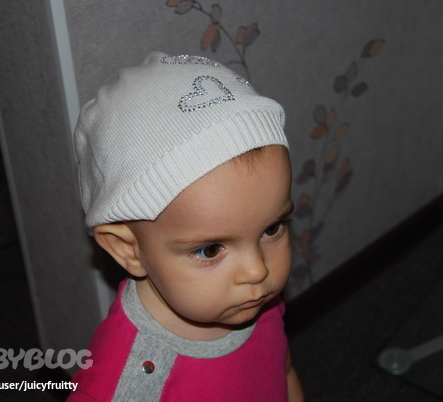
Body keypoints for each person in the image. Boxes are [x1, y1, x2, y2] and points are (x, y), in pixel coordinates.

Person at [68, 52, 303, 401]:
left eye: (272, 229)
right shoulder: (126, 386)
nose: (258, 270)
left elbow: (281, 369)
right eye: (211, 250)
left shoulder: (248, 298)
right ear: (128, 249)